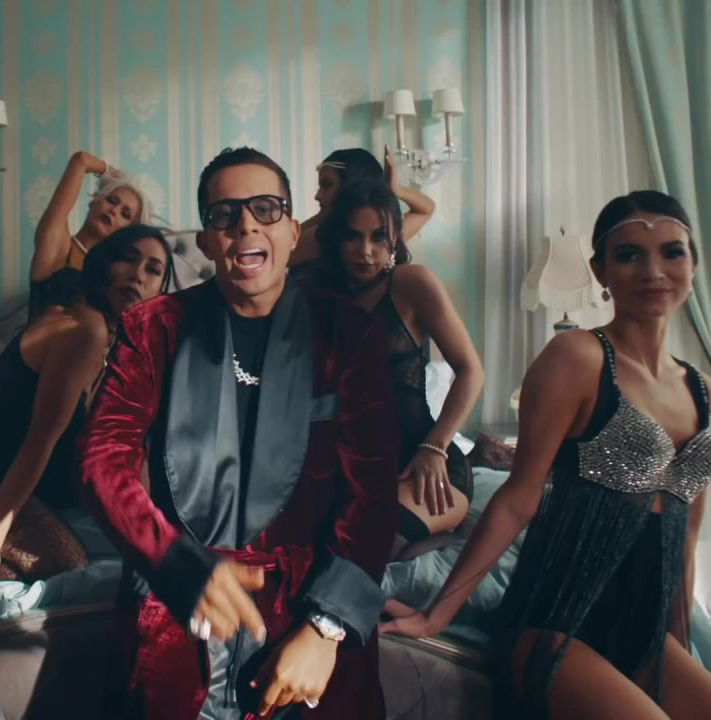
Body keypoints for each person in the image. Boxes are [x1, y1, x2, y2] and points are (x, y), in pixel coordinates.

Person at [379, 191, 711, 720]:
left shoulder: (705, 392)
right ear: (601, 271)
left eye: (672, 252)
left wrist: (678, 645)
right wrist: (435, 615)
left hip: (643, 632)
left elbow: (684, 535)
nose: (653, 271)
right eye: (629, 255)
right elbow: (517, 499)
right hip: (556, 621)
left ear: (694, 263)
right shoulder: (577, 358)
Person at [77, 147, 399, 719]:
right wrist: (175, 565)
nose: (246, 224)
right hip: (179, 593)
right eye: (224, 214)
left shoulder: (349, 333)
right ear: (207, 241)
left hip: (313, 604)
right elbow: (103, 459)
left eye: (265, 208)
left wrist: (326, 629)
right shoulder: (151, 330)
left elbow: (372, 496)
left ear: (293, 231)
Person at [0, 225, 176, 593]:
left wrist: (154, 528)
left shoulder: (120, 344)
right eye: (128, 259)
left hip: (45, 489)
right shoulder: (85, 330)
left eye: (153, 269)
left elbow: (126, 448)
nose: (137, 275)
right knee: (71, 565)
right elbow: (38, 443)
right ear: (105, 266)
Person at [312, 178, 483, 550]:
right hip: (353, 469)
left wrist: (435, 447)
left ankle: (449, 530)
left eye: (379, 237)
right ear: (337, 239)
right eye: (353, 237)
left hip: (423, 464)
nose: (366, 252)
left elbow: (471, 370)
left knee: (362, 547)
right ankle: (440, 535)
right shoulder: (319, 297)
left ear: (395, 238)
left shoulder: (411, 283)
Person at [29, 150, 153, 319]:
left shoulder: (116, 274)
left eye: (125, 214)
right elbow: (81, 160)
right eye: (111, 200)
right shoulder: (58, 247)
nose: (114, 211)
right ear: (94, 200)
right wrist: (111, 171)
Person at [289, 146, 435, 270]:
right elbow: (426, 209)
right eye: (353, 237)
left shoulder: (322, 237)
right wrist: (395, 191)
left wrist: (394, 191)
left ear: (351, 185)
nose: (318, 195)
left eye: (327, 185)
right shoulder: (386, 232)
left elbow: (426, 209)